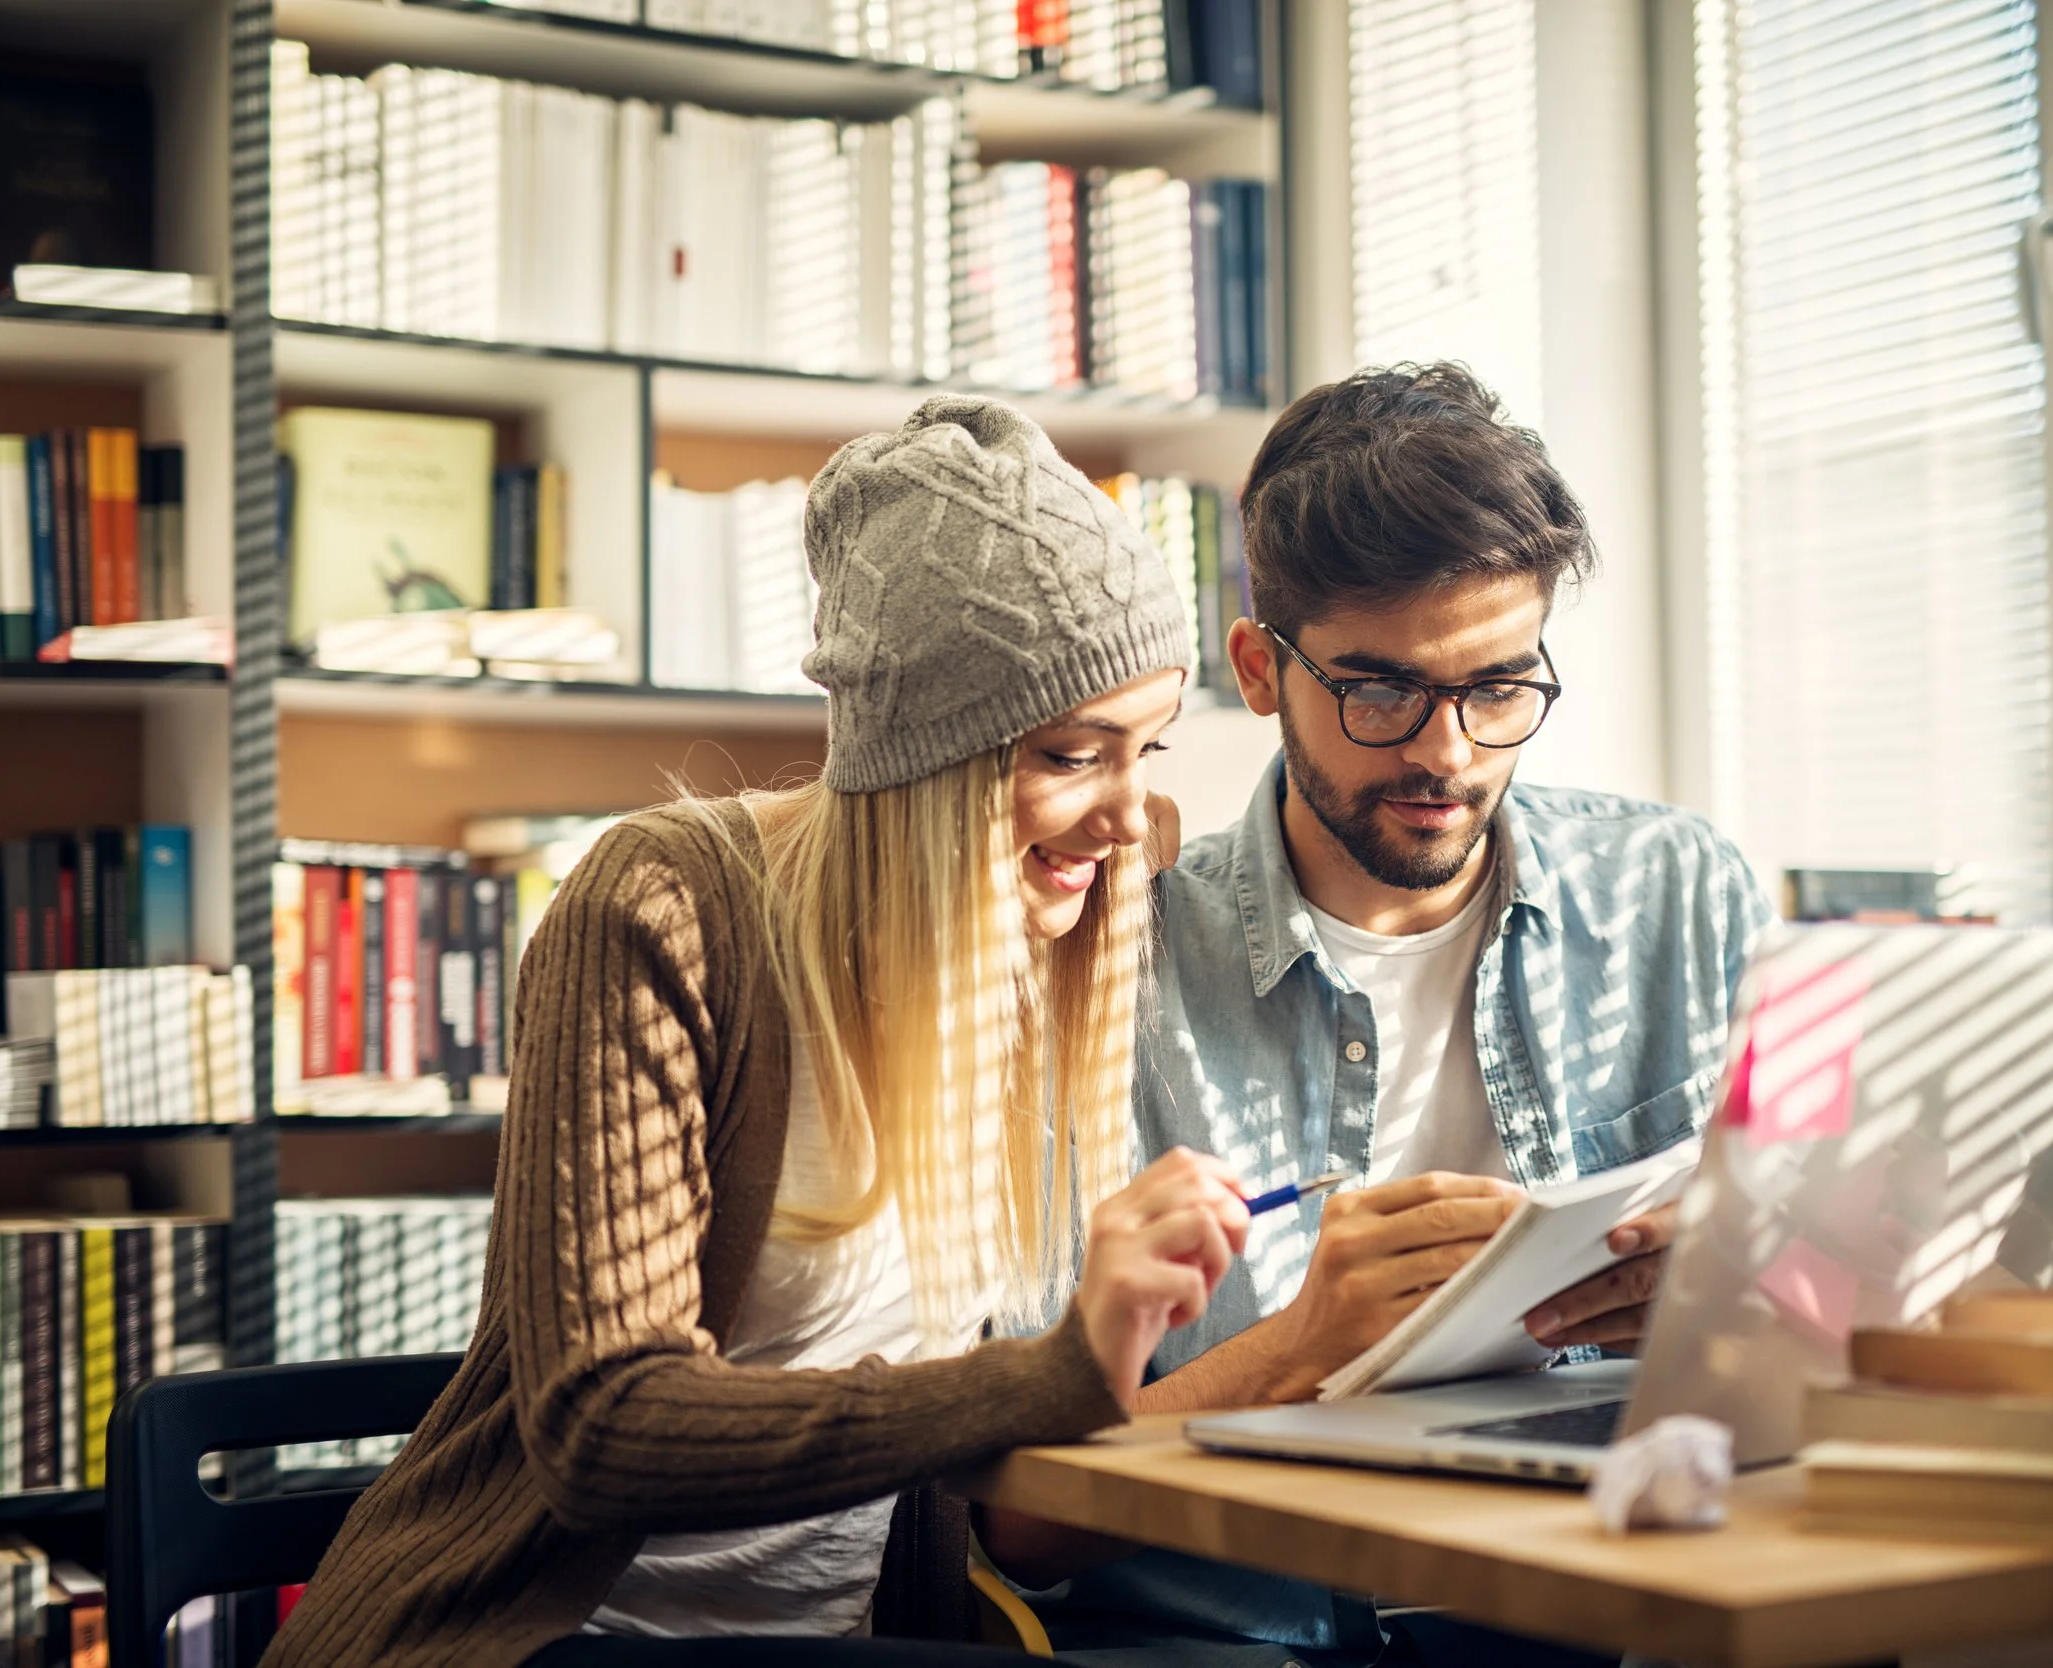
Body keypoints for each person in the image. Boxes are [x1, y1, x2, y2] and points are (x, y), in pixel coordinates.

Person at [264, 398, 1256, 1668]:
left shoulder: (1054, 910)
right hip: (551, 1635)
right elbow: (604, 1429)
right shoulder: (661, 910)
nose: (1129, 815)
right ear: (920, 761)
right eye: (1074, 753)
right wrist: (1055, 1371)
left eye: (1150, 745)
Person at [979, 364, 1772, 1664]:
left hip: (1618, 1599)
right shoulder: (1103, 961)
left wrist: (1734, 1292)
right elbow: (1012, 1523)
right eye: (1381, 691)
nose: (1448, 754)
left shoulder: (1679, 894)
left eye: (1500, 688)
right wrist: (1300, 1355)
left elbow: (1841, 1294)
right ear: (1259, 668)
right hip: (1245, 1639)